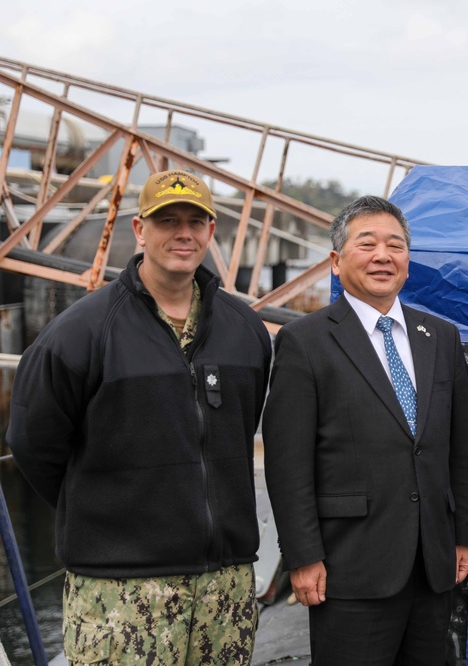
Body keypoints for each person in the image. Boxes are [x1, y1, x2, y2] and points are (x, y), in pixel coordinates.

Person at [8, 170, 272, 664]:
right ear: (139, 230)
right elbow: (31, 442)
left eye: (196, 221)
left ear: (212, 232)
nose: (183, 233)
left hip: (225, 588)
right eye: (167, 220)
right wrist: (106, 513)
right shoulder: (80, 333)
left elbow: (240, 425)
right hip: (120, 593)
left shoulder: (246, 331)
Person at [262, 195, 468, 665]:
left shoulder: (440, 337)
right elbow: (287, 462)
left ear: (407, 261)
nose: (384, 255)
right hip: (349, 567)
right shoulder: (306, 341)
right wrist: (302, 556)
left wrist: (461, 536)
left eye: (395, 245)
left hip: (432, 564)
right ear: (337, 262)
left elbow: (458, 448)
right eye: (368, 243)